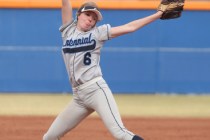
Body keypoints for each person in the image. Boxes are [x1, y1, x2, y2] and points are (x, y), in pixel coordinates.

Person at [43, 0, 163, 140]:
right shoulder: (68, 31)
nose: (90, 20)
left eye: (94, 19)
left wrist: (158, 15)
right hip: (78, 97)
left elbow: (130, 27)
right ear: (78, 15)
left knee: (120, 133)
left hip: (96, 90)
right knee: (49, 137)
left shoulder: (97, 33)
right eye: (88, 14)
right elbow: (65, 4)